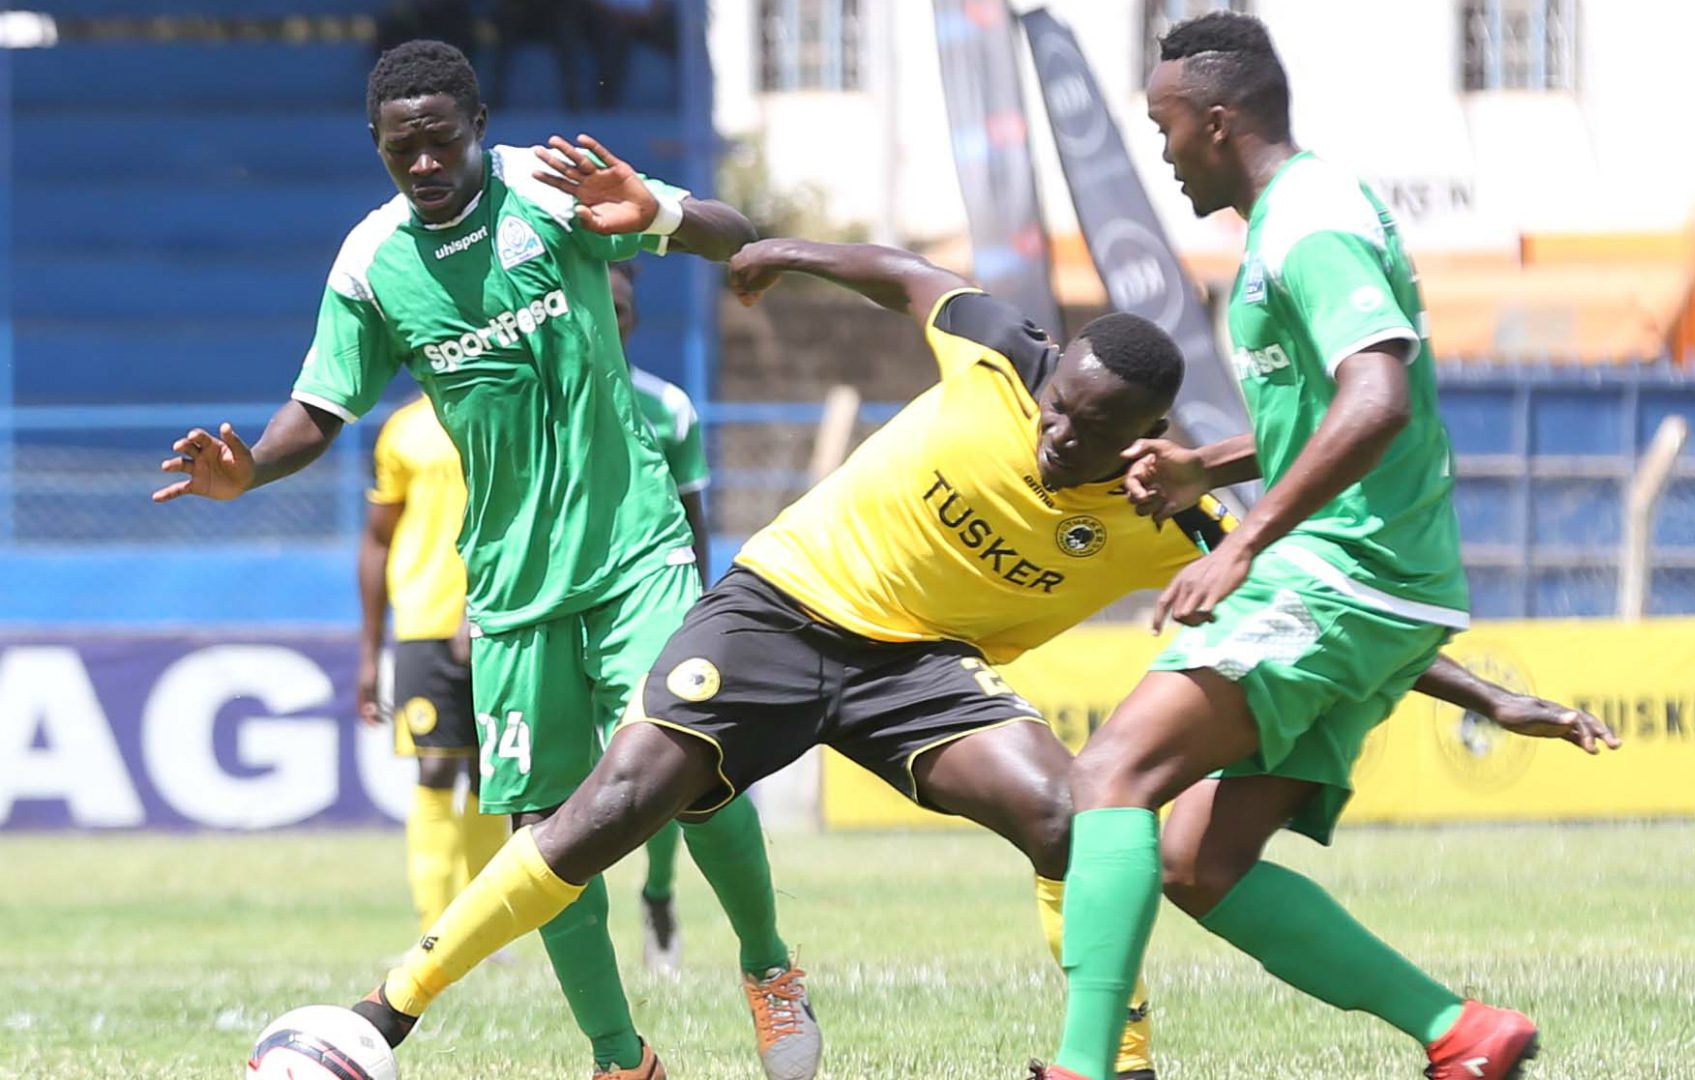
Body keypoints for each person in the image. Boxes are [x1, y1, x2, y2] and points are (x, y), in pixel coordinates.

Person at [345, 236, 1616, 1080]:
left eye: (1091, 431)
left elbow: (1301, 608)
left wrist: (1488, 693)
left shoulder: (1169, 507)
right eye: (1058, 409)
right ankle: (384, 1013)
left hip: (917, 668)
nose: (1058, 436)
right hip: (782, 605)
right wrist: (774, 251)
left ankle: (1113, 1058)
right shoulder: (1003, 350)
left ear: (1148, 436)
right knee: (619, 800)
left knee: (1075, 816)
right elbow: (907, 276)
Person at [151, 40, 818, 1080]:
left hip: (634, 548)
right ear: (377, 145)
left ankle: (769, 968)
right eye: (400, 149)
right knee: (543, 830)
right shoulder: (371, 264)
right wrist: (253, 470)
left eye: (441, 141)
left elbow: (738, 240)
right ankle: (619, 1058)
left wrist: (657, 210)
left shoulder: (550, 189)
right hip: (509, 588)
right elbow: (318, 407)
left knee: (694, 762)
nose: (423, 164)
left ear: (478, 125)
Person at [1036, 14, 1617, 1080]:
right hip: (1382, 589)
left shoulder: (1311, 225)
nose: (1163, 152)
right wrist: (1205, 467)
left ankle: (1084, 1068)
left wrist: (1243, 544)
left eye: (1166, 128)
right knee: (1198, 862)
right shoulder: (1292, 222)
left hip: (1341, 572)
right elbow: (1331, 413)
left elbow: (1379, 401)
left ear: (1218, 122)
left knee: (1111, 774)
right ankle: (1461, 1032)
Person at [358, 393, 509, 933]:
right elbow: (379, 538)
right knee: (436, 767)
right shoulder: (404, 429)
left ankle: (484, 933)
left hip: (504, 618)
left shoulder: (509, 411)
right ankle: (434, 931)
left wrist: (478, 605)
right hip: (423, 620)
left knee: (493, 776)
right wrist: (370, 652)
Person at [610, 258, 711, 973]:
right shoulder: (536, 396)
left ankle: (658, 893)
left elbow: (693, 514)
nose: (605, 318)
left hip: (651, 600)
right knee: (558, 784)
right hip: (557, 605)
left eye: (618, 309)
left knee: (665, 763)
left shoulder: (668, 407)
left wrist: (701, 609)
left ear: (634, 319)